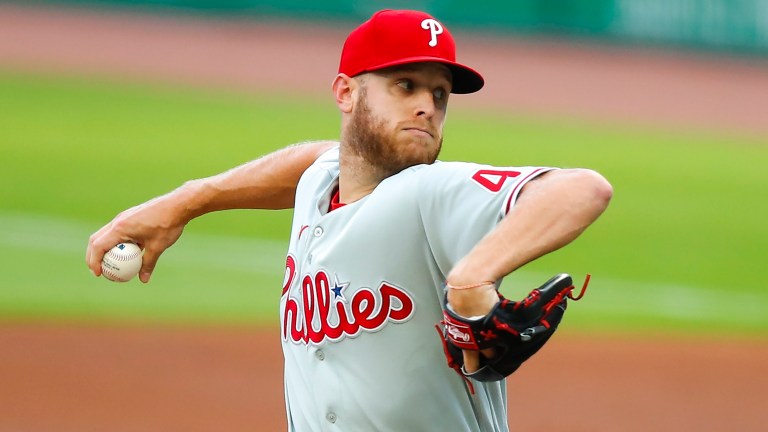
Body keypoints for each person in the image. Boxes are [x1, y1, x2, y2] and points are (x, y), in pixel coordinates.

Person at [86, 9, 612, 432]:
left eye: (439, 94)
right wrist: (182, 203)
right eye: (405, 86)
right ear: (345, 93)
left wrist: (471, 277)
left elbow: (581, 189)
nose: (427, 106)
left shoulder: (429, 191)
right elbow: (315, 160)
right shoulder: (322, 181)